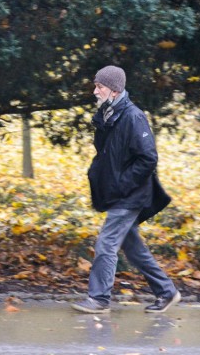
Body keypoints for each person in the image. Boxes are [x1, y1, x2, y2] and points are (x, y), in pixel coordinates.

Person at [71, 65, 180, 315]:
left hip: (130, 194)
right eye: (96, 85)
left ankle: (98, 298)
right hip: (119, 192)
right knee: (133, 249)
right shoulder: (111, 114)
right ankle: (167, 292)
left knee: (106, 244)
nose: (94, 90)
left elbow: (148, 158)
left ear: (115, 89)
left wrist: (122, 183)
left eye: (100, 86)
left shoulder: (133, 116)